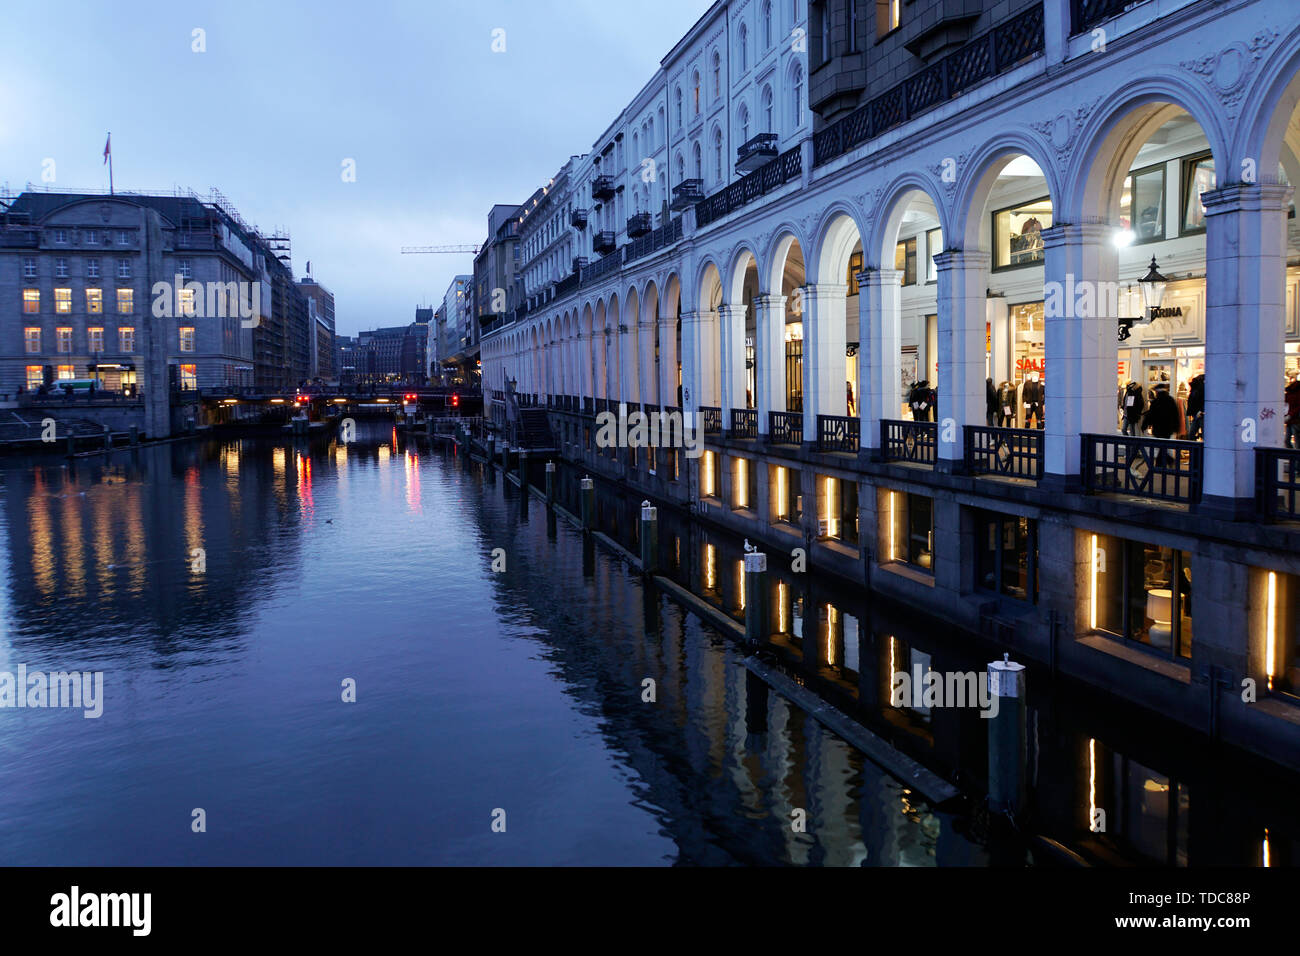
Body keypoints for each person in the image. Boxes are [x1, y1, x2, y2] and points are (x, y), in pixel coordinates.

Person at [1142, 383, 1180, 468]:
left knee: (1161, 446)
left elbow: (1151, 414)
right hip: (1168, 427)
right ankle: (1162, 463)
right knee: (1163, 446)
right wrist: (1176, 426)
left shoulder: (1156, 401)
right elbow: (1175, 414)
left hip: (1158, 427)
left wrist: (1145, 424)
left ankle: (1166, 462)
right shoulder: (1170, 400)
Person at [1185, 374, 1204, 441]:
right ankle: (1196, 451)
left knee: (1191, 434)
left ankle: (1195, 451)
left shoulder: (1196, 389)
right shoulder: (1199, 388)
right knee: (1192, 434)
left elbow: (1195, 401)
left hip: (1199, 414)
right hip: (1198, 414)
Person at [1286, 377, 1300, 449]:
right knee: (1296, 442)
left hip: (1294, 420)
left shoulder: (1289, 393)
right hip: (1293, 420)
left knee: (1288, 441)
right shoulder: (1290, 393)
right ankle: (1294, 458)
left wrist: (1289, 415)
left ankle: (1294, 458)